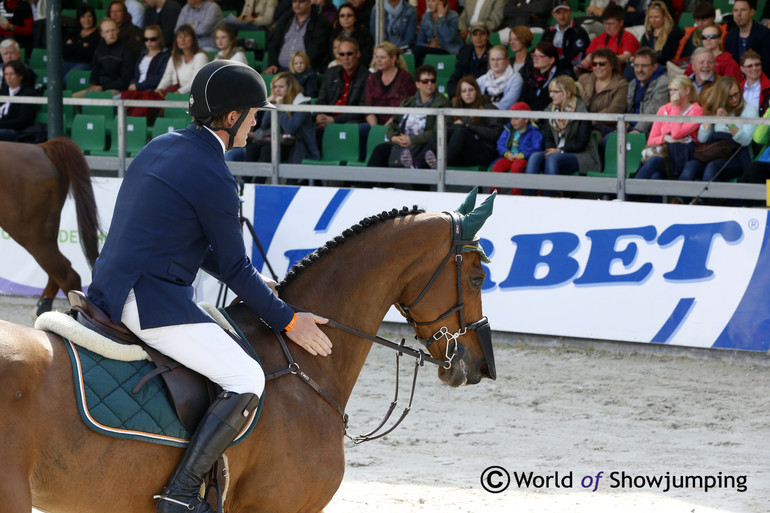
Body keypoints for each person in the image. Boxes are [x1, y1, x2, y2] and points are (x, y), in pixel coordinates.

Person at [87, 60, 332, 513]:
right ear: (231, 116)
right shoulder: (214, 173)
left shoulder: (161, 146)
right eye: (253, 113)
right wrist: (289, 320)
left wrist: (259, 283)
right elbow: (236, 268)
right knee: (246, 376)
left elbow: (197, 249)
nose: (256, 121)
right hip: (149, 300)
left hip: (109, 286)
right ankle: (180, 496)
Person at [367, 65, 451, 171]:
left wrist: (411, 140)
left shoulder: (442, 103)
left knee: (422, 153)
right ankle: (369, 186)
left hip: (423, 144)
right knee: (380, 150)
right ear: (417, 84)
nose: (429, 84)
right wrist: (394, 138)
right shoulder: (407, 102)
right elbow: (393, 124)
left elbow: (437, 132)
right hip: (402, 143)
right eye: (425, 81)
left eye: (432, 81)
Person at [525, 75, 601, 189]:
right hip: (557, 152)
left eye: (555, 92)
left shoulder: (582, 110)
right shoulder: (551, 108)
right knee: (535, 157)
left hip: (581, 155)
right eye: (550, 92)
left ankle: (551, 198)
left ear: (568, 93)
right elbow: (549, 137)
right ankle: (528, 197)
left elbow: (581, 143)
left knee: (553, 158)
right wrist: (551, 149)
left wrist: (560, 151)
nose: (551, 95)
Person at [679, 76, 757, 183]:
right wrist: (711, 118)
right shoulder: (717, 108)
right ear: (722, 97)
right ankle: (679, 199)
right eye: (729, 97)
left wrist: (728, 122)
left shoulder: (750, 110)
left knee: (713, 167)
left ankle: (701, 200)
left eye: (736, 94)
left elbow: (746, 141)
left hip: (736, 157)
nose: (734, 99)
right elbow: (702, 139)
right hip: (714, 153)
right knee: (690, 166)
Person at [634, 75, 703, 181]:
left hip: (686, 158)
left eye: (675, 90)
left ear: (687, 91)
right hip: (666, 155)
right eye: (670, 90)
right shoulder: (663, 109)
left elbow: (676, 133)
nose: (672, 93)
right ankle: (628, 193)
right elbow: (651, 141)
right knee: (655, 175)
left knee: (658, 169)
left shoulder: (697, 111)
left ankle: (627, 193)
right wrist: (665, 138)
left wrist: (675, 107)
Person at [257, 71, 320, 163]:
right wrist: (270, 106)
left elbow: (290, 128)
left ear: (290, 88)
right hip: (282, 141)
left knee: (266, 151)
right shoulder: (278, 100)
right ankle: (245, 178)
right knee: (253, 147)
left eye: (281, 87)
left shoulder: (302, 104)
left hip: (300, 146)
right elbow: (264, 125)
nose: (277, 90)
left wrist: (281, 107)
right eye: (275, 87)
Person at [440, 75, 502, 169]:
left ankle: (441, 163)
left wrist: (470, 127)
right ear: (460, 94)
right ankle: (418, 163)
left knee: (461, 130)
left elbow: (496, 134)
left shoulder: (488, 107)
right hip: (463, 152)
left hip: (485, 152)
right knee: (444, 130)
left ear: (477, 91)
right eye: (464, 91)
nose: (468, 94)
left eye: (471, 90)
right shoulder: (457, 110)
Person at [264, 0, 333, 74]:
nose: (297, 4)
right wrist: (272, 64)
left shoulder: (320, 22)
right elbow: (274, 43)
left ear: (309, 3)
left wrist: (299, 66)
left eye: (301, 1)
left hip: (305, 71)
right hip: (280, 70)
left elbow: (317, 50)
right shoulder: (286, 20)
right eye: (294, 1)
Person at [315, 36, 369, 129]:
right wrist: (319, 115)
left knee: (349, 127)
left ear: (358, 54)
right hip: (328, 117)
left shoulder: (367, 77)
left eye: (349, 54)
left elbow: (361, 109)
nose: (346, 58)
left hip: (350, 120)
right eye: (342, 54)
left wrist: (334, 120)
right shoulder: (331, 72)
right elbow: (321, 100)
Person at [74, 18, 136, 97]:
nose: (111, 34)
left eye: (113, 30)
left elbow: (125, 80)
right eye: (107, 31)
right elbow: (95, 72)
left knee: (105, 97)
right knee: (74, 99)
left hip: (117, 90)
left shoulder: (127, 51)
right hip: (100, 88)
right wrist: (93, 85)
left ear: (118, 31)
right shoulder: (99, 51)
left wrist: (103, 87)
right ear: (102, 34)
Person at [491, 101, 543, 195]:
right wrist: (506, 153)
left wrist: (523, 155)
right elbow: (500, 144)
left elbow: (537, 147)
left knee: (517, 167)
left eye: (516, 118)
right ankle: (492, 197)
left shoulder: (534, 131)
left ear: (526, 119)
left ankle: (517, 196)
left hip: (523, 158)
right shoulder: (508, 129)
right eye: (511, 118)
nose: (512, 121)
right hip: (508, 156)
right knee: (497, 166)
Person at [578, 48, 628, 137]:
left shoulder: (621, 84)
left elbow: (615, 110)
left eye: (602, 64)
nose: (597, 67)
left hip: (607, 127)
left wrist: (590, 120)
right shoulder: (584, 79)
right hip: (582, 124)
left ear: (612, 65)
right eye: (594, 64)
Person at [364, 41, 416, 127]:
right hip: (375, 123)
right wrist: (375, 128)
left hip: (398, 124)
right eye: (376, 57)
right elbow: (368, 107)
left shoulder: (405, 78)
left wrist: (387, 127)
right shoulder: (372, 78)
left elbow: (406, 106)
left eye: (382, 57)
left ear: (393, 59)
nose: (378, 60)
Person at [519, 41, 573, 113]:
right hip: (529, 119)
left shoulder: (561, 77)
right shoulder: (530, 76)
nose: (535, 59)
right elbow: (523, 100)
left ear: (552, 60)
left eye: (540, 56)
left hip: (551, 119)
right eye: (534, 56)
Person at [581, 4, 640, 70]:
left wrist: (604, 61)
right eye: (605, 23)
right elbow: (589, 56)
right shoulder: (599, 38)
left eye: (611, 24)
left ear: (621, 23)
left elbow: (627, 56)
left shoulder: (628, 37)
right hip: (597, 74)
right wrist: (582, 64)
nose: (607, 27)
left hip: (618, 76)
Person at [626, 47, 669, 136]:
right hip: (630, 127)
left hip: (649, 130)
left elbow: (654, 110)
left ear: (655, 66)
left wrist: (638, 130)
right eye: (636, 65)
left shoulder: (663, 82)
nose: (639, 70)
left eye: (644, 66)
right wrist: (624, 122)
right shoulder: (633, 83)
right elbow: (627, 108)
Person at [156, 24, 209, 95]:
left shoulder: (200, 57)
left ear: (193, 39)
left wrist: (179, 92)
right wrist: (159, 89)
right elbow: (166, 78)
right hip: (174, 94)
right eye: (179, 37)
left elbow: (196, 82)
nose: (182, 40)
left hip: (192, 96)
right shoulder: (174, 57)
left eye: (186, 36)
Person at [541, 0, 590, 73]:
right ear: (553, 14)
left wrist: (553, 65)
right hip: (549, 67)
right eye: (558, 13)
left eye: (565, 12)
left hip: (569, 70)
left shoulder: (579, 32)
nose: (562, 16)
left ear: (570, 12)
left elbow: (575, 58)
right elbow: (541, 50)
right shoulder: (549, 31)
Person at [724, 0, 770, 74]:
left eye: (743, 10)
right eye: (735, 10)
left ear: (752, 12)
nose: (738, 14)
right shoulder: (730, 36)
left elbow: (766, 65)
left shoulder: (764, 34)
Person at [413, 0, 463, 66]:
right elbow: (419, 42)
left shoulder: (453, 16)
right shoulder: (425, 17)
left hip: (448, 50)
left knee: (418, 51)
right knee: (416, 50)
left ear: (442, 2)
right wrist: (429, 46)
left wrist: (441, 17)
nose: (429, 4)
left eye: (433, 1)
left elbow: (448, 38)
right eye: (428, 1)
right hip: (432, 49)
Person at [0, 60, 37, 141]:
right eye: (6, 74)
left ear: (20, 75)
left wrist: (1, 124)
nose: (9, 77)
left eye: (12, 74)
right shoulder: (2, 92)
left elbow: (23, 121)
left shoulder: (28, 94)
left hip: (16, 131)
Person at [477, 45, 522, 111]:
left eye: (499, 59)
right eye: (492, 59)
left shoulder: (516, 80)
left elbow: (506, 105)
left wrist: (485, 111)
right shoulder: (481, 80)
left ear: (507, 60)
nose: (495, 63)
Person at [127, 24, 171, 91]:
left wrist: (138, 86)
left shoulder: (165, 56)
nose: (149, 42)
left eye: (153, 39)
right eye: (146, 39)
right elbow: (136, 76)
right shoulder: (142, 55)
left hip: (152, 90)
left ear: (159, 39)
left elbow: (160, 78)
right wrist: (133, 84)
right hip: (137, 89)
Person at [62, 5, 100, 80]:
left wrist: (72, 45)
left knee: (67, 79)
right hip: (68, 62)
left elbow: (88, 53)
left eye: (89, 16)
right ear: (79, 19)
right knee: (52, 77)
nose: (86, 20)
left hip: (85, 64)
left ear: (93, 17)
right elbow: (63, 50)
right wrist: (81, 45)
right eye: (83, 17)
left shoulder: (98, 34)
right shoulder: (74, 33)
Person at [639, 1, 682, 67]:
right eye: (650, 17)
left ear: (664, 16)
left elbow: (666, 59)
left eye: (656, 17)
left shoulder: (672, 34)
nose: (653, 20)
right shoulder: (647, 35)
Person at [331, 3, 373, 67]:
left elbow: (366, 56)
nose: (345, 18)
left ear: (355, 18)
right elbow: (331, 54)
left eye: (349, 15)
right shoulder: (334, 34)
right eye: (342, 16)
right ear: (338, 19)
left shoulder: (364, 34)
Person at [740, 50, 770, 116]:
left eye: (757, 65)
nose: (754, 68)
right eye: (750, 66)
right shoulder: (737, 88)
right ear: (742, 69)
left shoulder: (768, 88)